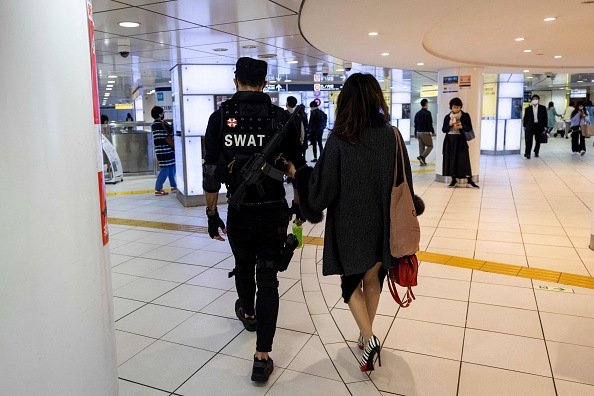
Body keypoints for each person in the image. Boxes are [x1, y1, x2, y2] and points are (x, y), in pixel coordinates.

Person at [292, 73, 424, 372]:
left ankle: (368, 336)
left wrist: (300, 175)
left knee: (350, 282)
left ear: (346, 102)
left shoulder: (340, 138)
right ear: (377, 98)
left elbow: (323, 189)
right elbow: (406, 181)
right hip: (384, 223)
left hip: (350, 225)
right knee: (373, 279)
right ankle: (367, 337)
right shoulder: (392, 135)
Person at [202, 57, 306, 383]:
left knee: (244, 267)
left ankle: (248, 314)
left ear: (235, 81)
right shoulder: (282, 119)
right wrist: (299, 209)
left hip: (239, 212)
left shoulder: (219, 118)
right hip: (275, 210)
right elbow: (296, 170)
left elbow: (210, 175)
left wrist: (211, 213)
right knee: (269, 279)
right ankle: (262, 357)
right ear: (264, 83)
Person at [442, 98, 479, 188]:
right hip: (449, 140)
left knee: (464, 160)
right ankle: (453, 180)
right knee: (451, 160)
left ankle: (469, 180)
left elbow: (469, 128)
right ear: (451, 107)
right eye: (454, 107)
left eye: (458, 107)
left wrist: (462, 126)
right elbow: (444, 130)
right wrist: (450, 125)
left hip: (461, 140)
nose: (456, 109)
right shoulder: (447, 117)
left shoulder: (465, 116)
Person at [151, 106, 177, 195]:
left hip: (160, 150)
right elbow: (172, 131)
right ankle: (158, 189)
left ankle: (174, 186)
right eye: (162, 113)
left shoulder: (154, 125)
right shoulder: (162, 124)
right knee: (165, 169)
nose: (163, 114)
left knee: (171, 167)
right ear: (160, 114)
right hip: (166, 150)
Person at [523, 94, 548, 159]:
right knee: (528, 140)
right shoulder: (528, 109)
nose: (535, 100)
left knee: (538, 140)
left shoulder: (542, 108)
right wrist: (524, 126)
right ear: (531, 101)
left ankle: (536, 151)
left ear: (538, 100)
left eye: (536, 99)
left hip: (539, 126)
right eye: (533, 99)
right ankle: (527, 153)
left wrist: (545, 126)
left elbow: (545, 117)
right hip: (530, 126)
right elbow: (526, 118)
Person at [413, 98, 435, 166]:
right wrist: (433, 131)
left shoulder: (417, 113)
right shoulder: (428, 113)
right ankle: (422, 157)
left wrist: (415, 133)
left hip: (419, 132)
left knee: (421, 147)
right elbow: (429, 123)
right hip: (426, 132)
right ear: (426, 104)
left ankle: (422, 162)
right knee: (430, 146)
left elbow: (415, 124)